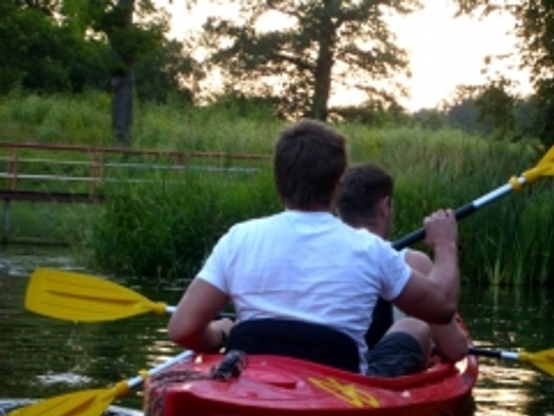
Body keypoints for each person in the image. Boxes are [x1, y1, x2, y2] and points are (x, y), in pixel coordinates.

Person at [167, 119, 460, 376]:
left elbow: (183, 329)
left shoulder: (238, 238)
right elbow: (443, 308)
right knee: (415, 328)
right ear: (338, 183)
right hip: (342, 388)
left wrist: (218, 336)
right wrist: (445, 245)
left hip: (256, 380)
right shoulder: (370, 249)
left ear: (278, 178)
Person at [337, 163, 469, 371]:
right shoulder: (410, 261)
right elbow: (455, 349)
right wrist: (446, 245)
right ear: (384, 206)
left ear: (339, 209)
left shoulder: (317, 255)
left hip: (320, 369)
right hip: (369, 381)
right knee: (416, 327)